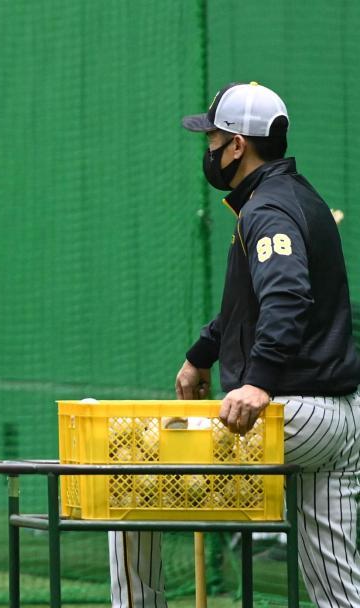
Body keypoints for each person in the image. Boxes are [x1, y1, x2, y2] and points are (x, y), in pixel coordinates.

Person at [108, 81, 360, 607]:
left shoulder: (267, 210)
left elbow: (288, 297)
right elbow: (245, 309)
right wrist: (201, 356)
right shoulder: (300, 197)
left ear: (238, 145)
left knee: (124, 474)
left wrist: (259, 382)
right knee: (338, 592)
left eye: (213, 140)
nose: (208, 151)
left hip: (290, 413)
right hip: (340, 420)